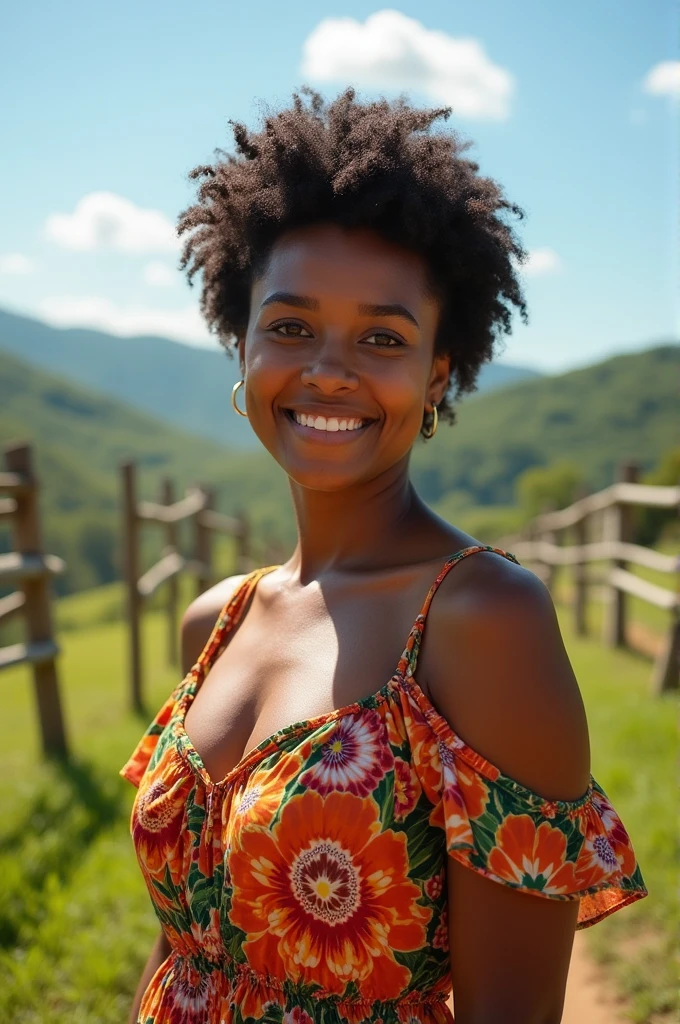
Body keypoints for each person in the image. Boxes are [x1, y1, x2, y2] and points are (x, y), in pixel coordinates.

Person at [120, 88, 647, 1024]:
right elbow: (185, 941)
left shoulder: (480, 620)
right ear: (240, 347)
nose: (329, 368)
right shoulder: (219, 620)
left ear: (438, 370)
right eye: (289, 327)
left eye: (382, 337)